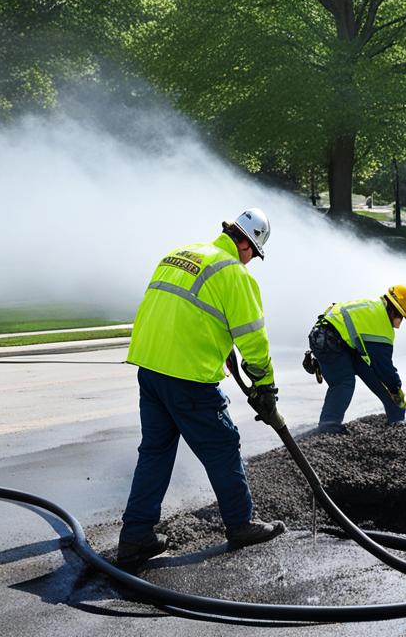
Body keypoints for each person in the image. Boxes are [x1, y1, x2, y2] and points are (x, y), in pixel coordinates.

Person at [117, 208, 286, 572]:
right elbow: (254, 341)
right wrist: (265, 387)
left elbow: (187, 312)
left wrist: (224, 350)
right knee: (223, 447)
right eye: (253, 255)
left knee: (155, 451)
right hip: (189, 377)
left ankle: (135, 537)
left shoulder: (181, 254)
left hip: (151, 367)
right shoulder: (233, 273)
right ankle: (240, 524)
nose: (250, 262)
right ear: (245, 243)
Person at [306, 285, 406, 434]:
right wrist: (396, 389)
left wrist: (393, 392)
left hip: (330, 339)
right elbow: (384, 368)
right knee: (343, 382)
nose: (399, 324)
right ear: (394, 311)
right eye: (401, 318)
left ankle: (397, 420)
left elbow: (377, 370)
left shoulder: (372, 305)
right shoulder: (382, 326)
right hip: (329, 342)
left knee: (374, 375)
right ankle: (328, 428)